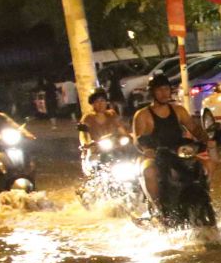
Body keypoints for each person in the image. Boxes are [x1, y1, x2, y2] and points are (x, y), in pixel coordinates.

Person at [132, 75, 208, 205]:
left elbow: (194, 128)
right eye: (159, 90)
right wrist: (147, 150)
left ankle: (205, 197)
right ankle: (157, 206)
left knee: (206, 166)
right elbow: (138, 139)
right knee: (149, 172)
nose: (164, 93)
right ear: (152, 92)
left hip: (179, 152)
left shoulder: (179, 110)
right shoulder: (143, 115)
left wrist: (207, 139)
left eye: (166, 89)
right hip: (156, 155)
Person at [78, 91, 128, 158]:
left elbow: (121, 128)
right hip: (96, 149)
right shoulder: (87, 118)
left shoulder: (112, 114)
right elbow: (83, 134)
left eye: (102, 101)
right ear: (92, 104)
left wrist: (126, 136)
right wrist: (85, 144)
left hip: (113, 147)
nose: (100, 104)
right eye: (97, 101)